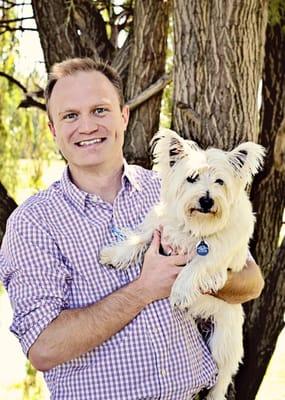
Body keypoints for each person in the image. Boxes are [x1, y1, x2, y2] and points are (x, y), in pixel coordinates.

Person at [0, 58, 264, 400]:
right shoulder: (33, 223)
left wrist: (200, 272)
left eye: (99, 110)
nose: (87, 126)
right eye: (70, 116)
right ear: (53, 129)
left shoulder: (176, 188)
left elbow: (252, 282)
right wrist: (145, 288)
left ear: (123, 115)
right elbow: (43, 348)